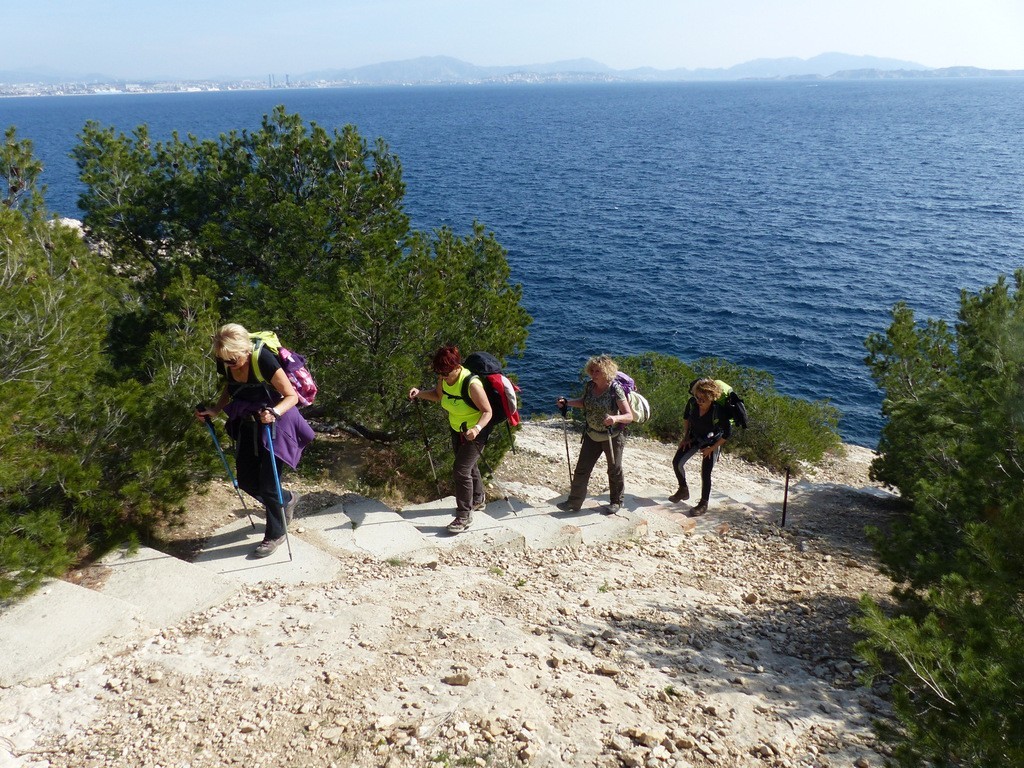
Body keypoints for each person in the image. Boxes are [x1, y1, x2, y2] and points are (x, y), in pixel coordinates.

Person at [196, 324, 315, 557]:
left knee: (269, 485)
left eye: (233, 360)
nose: (228, 364)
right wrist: (216, 409)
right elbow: (230, 388)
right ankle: (287, 499)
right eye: (224, 360)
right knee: (247, 481)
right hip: (247, 419)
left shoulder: (264, 360)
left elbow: (291, 396)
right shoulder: (226, 357)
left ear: (246, 351)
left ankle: (276, 533)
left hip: (277, 421)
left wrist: (275, 412)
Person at [408, 345, 494, 533]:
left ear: (456, 367)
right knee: (469, 466)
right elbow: (438, 396)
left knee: (460, 470)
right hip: (457, 429)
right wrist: (420, 393)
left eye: (445, 373)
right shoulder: (444, 379)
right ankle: (478, 499)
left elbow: (488, 411)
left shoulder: (472, 384)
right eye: (439, 373)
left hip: (476, 432)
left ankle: (464, 515)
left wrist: (477, 428)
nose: (442, 377)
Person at [556, 355, 633, 514]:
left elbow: (629, 415)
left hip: (612, 436)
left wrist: (614, 418)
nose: (593, 373)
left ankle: (616, 501)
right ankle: (574, 502)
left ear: (606, 372)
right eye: (592, 370)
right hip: (592, 434)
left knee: (614, 469)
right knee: (582, 469)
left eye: (597, 370)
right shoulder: (590, 386)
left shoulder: (615, 389)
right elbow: (585, 402)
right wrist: (568, 402)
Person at [669, 378, 732, 516]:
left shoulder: (718, 411)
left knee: (705, 473)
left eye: (703, 398)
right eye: (697, 397)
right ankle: (683, 489)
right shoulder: (692, 403)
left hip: (712, 442)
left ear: (711, 397)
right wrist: (686, 437)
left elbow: (726, 434)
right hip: (694, 437)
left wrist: (712, 448)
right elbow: (686, 418)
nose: (699, 401)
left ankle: (703, 503)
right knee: (677, 463)